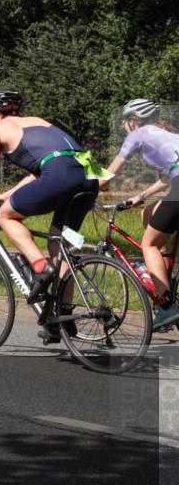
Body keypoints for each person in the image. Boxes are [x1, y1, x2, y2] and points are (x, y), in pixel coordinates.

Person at [0, 91, 101, 342]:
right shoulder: (40, 122)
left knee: (6, 217)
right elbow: (44, 167)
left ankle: (40, 267)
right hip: (88, 178)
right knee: (62, 244)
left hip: (60, 176)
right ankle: (64, 319)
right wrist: (9, 193)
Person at [101, 99, 179, 329]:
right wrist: (141, 195)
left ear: (132, 120)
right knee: (148, 213)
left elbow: (109, 174)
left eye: (126, 122)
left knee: (149, 244)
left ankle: (166, 306)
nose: (126, 126)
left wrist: (85, 190)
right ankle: (163, 283)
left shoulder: (138, 134)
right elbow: (168, 176)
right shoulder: (168, 134)